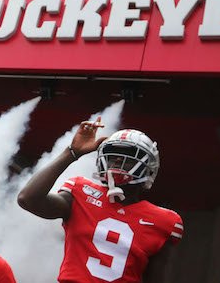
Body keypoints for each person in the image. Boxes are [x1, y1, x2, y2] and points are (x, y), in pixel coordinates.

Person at [17, 120, 183, 282]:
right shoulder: (80, 192)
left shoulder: (164, 221)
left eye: (129, 155)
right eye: (113, 155)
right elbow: (28, 199)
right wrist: (72, 153)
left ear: (148, 167)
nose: (117, 160)